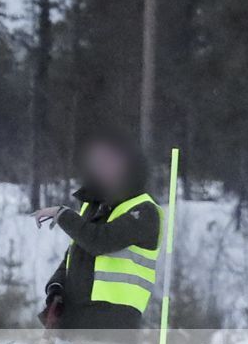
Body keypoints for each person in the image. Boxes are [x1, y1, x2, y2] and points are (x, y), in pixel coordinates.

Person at [32, 129, 161, 332]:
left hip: (114, 320)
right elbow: (73, 256)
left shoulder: (143, 211)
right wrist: (56, 288)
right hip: (75, 319)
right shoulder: (92, 206)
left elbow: (100, 242)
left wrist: (62, 214)